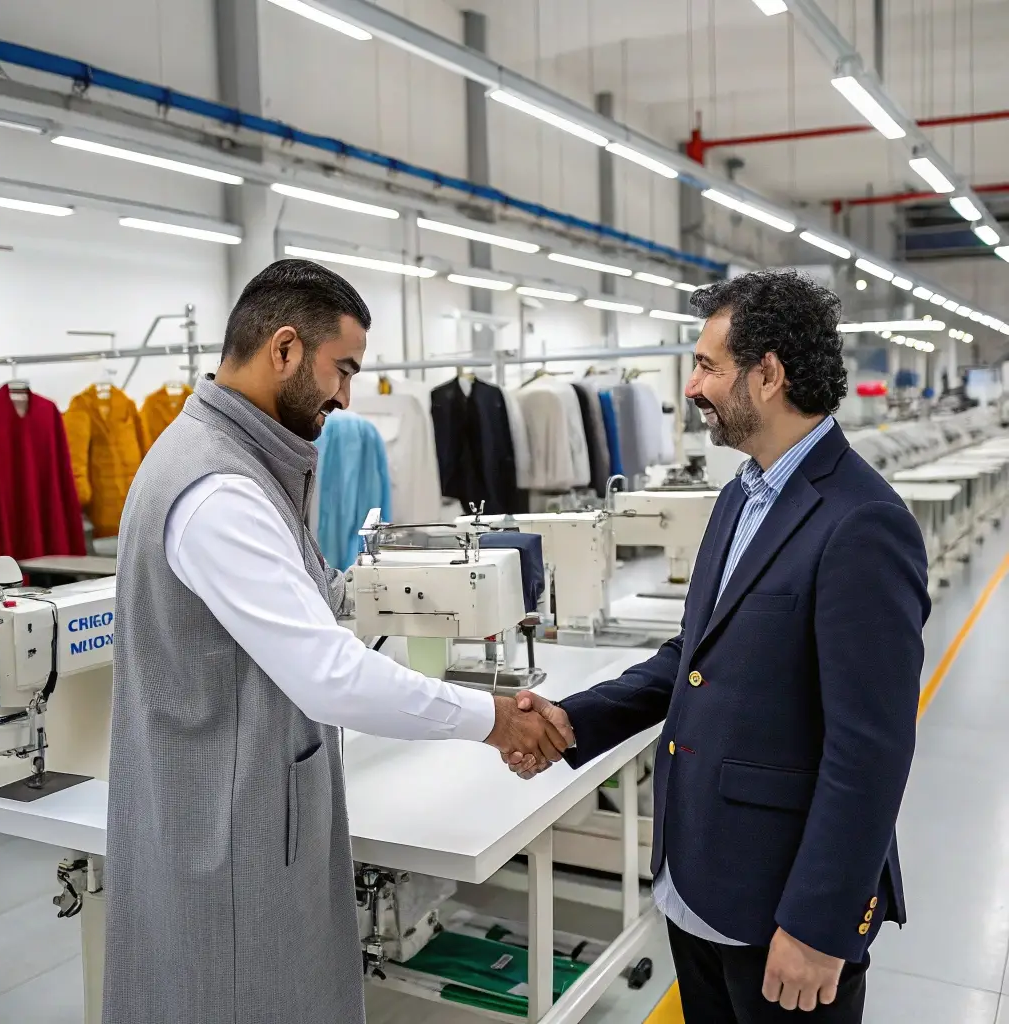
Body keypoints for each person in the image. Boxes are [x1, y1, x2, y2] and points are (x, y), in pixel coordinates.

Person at [103, 259, 569, 1024]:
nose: (347, 396)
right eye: (343, 369)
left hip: (246, 807)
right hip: (228, 834)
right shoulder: (218, 490)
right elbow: (329, 675)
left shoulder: (245, 463)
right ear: (285, 348)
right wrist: (492, 718)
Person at [511, 270, 930, 1022]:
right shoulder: (742, 493)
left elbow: (871, 749)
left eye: (707, 366)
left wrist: (819, 924)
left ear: (767, 375)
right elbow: (695, 657)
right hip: (698, 881)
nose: (692, 385)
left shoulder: (863, 522)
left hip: (782, 910)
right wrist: (574, 719)